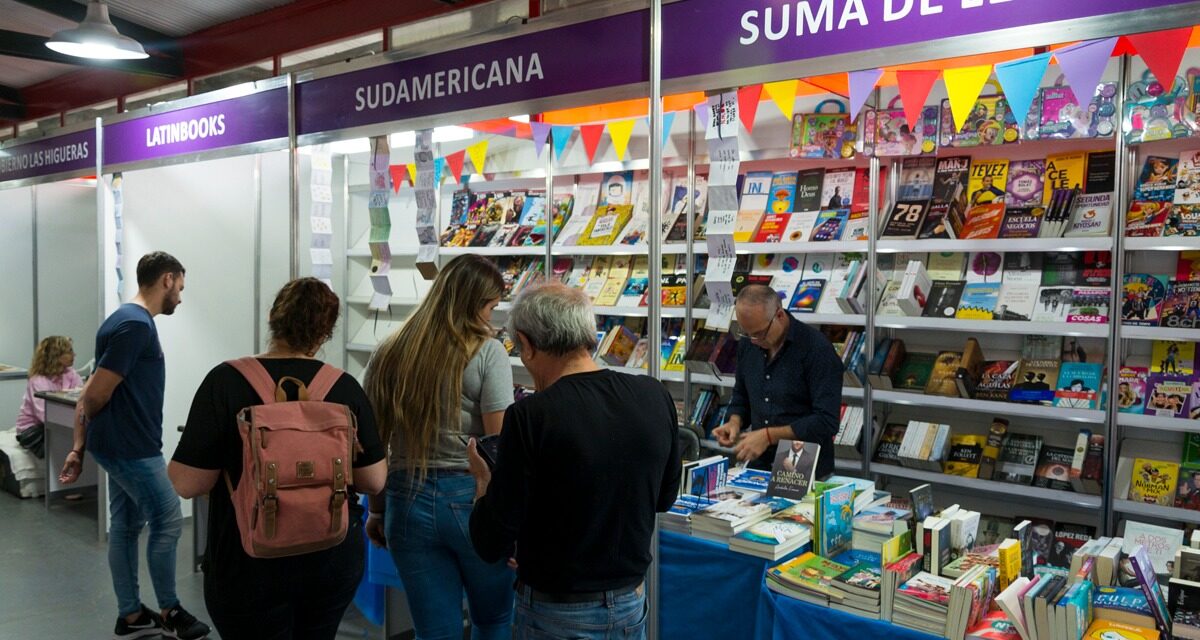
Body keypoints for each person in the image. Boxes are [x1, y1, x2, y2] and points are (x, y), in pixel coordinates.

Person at [168, 278, 386, 640]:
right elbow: (373, 481)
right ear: (326, 332)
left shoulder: (224, 382)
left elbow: (187, 483)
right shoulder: (343, 387)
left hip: (247, 565)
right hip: (328, 558)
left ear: (273, 317)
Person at [467, 283, 680, 640]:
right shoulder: (654, 394)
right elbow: (663, 498)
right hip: (631, 602)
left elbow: (491, 540)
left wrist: (483, 482)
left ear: (527, 343)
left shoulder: (531, 415)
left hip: (556, 610)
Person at [362, 254, 516, 640]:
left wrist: (377, 512)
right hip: (471, 498)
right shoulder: (487, 352)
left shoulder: (389, 351)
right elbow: (497, 447)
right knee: (493, 620)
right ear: (472, 302)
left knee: (434, 630)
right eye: (490, 307)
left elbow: (373, 441)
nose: (490, 318)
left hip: (405, 498)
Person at [58, 251, 210, 640]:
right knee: (168, 519)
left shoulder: (124, 321)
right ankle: (170, 609)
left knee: (126, 526)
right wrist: (81, 443)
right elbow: (93, 396)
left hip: (123, 445)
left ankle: (130, 616)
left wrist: (78, 448)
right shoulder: (134, 325)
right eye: (180, 287)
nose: (180, 296)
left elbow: (88, 393)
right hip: (131, 448)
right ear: (167, 279)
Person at [713, 285, 843, 478]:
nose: (753, 340)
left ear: (779, 316)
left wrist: (768, 436)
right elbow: (741, 395)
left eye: (759, 333)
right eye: (746, 333)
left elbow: (826, 421)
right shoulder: (749, 344)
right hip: (759, 462)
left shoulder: (816, 349)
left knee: (795, 509)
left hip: (804, 460)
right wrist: (734, 422)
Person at [14, 336, 84, 458]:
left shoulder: (70, 373)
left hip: (60, 421)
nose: (74, 354)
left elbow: (80, 397)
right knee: (64, 449)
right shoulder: (38, 381)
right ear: (56, 356)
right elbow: (45, 416)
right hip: (34, 429)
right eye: (69, 352)